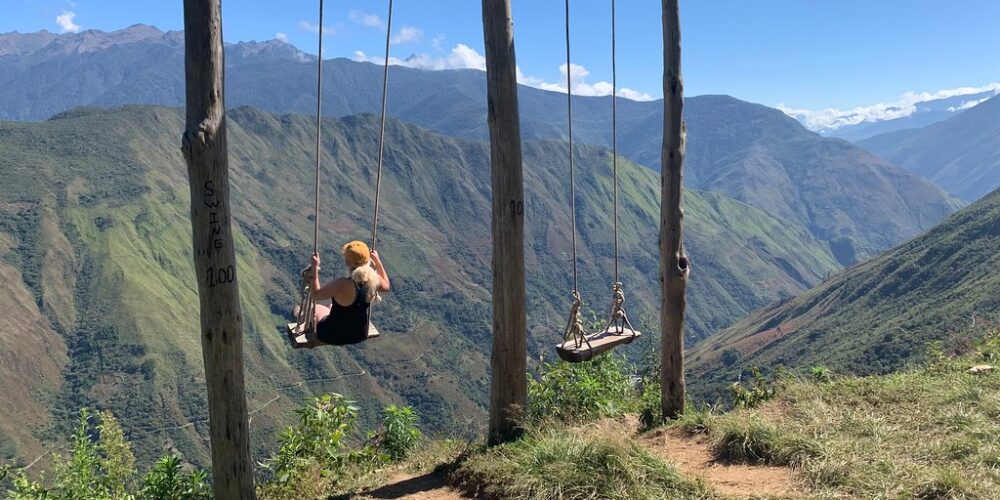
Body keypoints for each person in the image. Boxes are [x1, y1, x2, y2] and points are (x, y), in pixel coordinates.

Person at [307, 240, 390, 345]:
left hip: (331, 335)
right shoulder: (374, 279)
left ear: (347, 262)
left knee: (315, 308)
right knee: (331, 306)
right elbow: (386, 287)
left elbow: (316, 295)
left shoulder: (342, 284)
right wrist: (378, 262)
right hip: (359, 335)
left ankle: (299, 314)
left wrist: (315, 270)